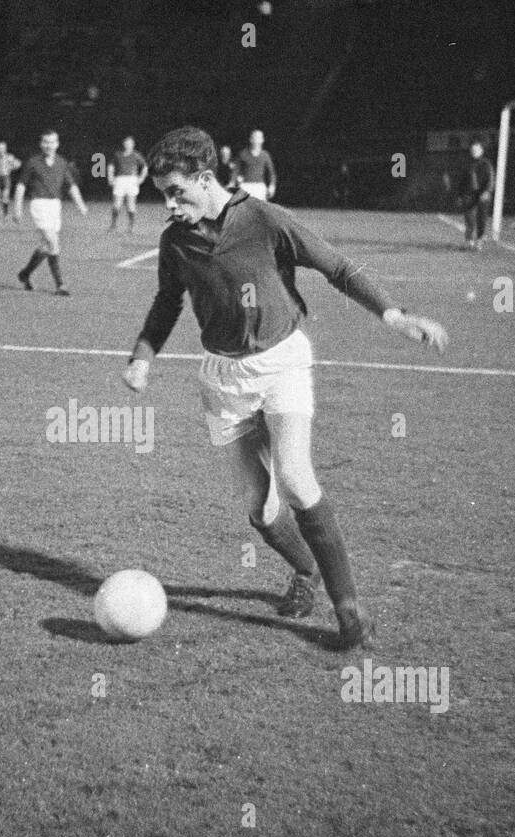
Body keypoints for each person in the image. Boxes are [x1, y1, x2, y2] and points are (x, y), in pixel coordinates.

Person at [121, 127, 448, 649]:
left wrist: (394, 316)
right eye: (164, 194)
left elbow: (336, 267)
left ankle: (350, 616)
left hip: (281, 363)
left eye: (177, 192)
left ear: (206, 179)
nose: (171, 204)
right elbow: (167, 302)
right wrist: (142, 359)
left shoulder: (266, 220)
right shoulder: (175, 240)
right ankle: (304, 571)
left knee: (296, 480)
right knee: (261, 508)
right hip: (224, 377)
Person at [12, 129, 88, 296]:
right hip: (39, 204)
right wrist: (17, 208)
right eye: (46, 142)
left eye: (52, 142)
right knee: (53, 244)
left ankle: (25, 274)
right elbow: (21, 186)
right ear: (41, 144)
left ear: (57, 144)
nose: (49, 145)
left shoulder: (62, 162)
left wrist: (80, 204)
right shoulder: (32, 162)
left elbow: (71, 185)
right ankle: (60, 284)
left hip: (55, 206)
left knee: (47, 246)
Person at [107, 136, 147, 233]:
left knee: (131, 205)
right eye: (126, 143)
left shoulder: (136, 155)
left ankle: (131, 227)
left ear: (133, 145)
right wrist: (110, 177)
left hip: (132, 180)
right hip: (120, 180)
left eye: (130, 143)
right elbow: (111, 166)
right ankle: (113, 225)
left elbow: (145, 167)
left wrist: (141, 178)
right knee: (117, 204)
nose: (128, 145)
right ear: (123, 144)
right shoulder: (118, 154)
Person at [459, 139, 494, 250]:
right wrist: (460, 195)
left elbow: (490, 179)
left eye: (477, 149)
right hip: (469, 194)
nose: (474, 151)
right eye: (473, 149)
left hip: (482, 195)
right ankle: (469, 241)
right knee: (469, 219)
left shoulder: (486, 164)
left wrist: (487, 191)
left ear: (481, 150)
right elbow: (461, 180)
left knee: (481, 218)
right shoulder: (467, 164)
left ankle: (479, 239)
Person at [235, 129, 276, 202]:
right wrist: (233, 181)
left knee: (260, 210)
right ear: (251, 139)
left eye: (260, 138)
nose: (257, 140)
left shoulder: (265, 155)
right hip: (245, 186)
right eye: (255, 137)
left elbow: (271, 173)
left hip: (259, 186)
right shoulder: (243, 154)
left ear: (262, 140)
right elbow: (236, 170)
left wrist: (272, 186)